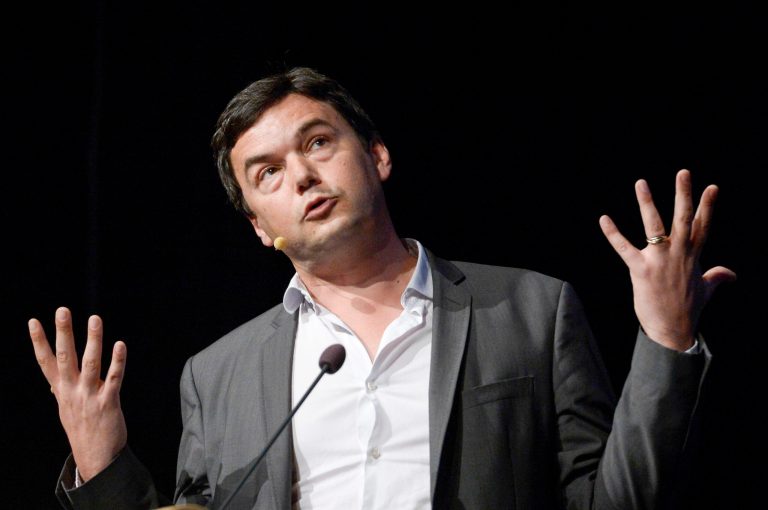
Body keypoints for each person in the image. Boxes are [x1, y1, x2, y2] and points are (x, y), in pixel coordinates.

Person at [29, 67, 736, 510]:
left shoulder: (529, 310)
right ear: (256, 227)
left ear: (377, 156)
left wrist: (666, 340)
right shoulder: (217, 376)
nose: (300, 176)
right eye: (267, 173)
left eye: (316, 143)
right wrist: (102, 466)